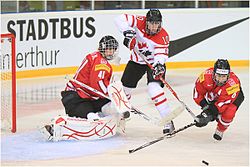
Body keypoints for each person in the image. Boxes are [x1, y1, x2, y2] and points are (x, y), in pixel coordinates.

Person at [115, 9, 175, 134]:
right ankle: (121, 116)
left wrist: (159, 65)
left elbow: (161, 55)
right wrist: (128, 32)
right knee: (125, 89)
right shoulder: (139, 21)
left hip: (154, 63)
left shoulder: (163, 36)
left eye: (157, 23)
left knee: (154, 89)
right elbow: (120, 18)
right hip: (136, 61)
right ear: (146, 22)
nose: (154, 26)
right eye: (152, 23)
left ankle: (168, 120)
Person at [193, 59, 244, 141]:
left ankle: (220, 129)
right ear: (214, 74)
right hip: (216, 93)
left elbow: (223, 103)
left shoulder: (233, 85)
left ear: (228, 75)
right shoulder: (205, 76)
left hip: (233, 97)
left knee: (228, 114)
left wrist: (211, 113)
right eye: (218, 76)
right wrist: (205, 108)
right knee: (211, 99)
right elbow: (197, 93)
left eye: (223, 76)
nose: (220, 80)